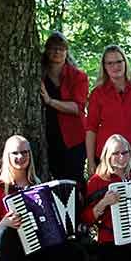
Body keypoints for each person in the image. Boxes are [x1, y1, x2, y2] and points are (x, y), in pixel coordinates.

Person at [85, 46, 131, 180]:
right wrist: (90, 161)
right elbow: (91, 129)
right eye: (110, 63)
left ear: (125, 63)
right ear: (104, 67)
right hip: (107, 160)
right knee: (110, 200)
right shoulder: (98, 93)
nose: (115, 66)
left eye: (119, 62)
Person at [39, 32, 89, 185]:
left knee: (74, 181)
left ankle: (79, 209)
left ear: (66, 51)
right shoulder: (38, 73)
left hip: (73, 138)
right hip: (48, 137)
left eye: (61, 48)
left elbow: (77, 108)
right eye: (53, 48)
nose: (57, 52)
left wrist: (50, 101)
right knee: (53, 182)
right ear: (46, 50)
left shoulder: (78, 76)